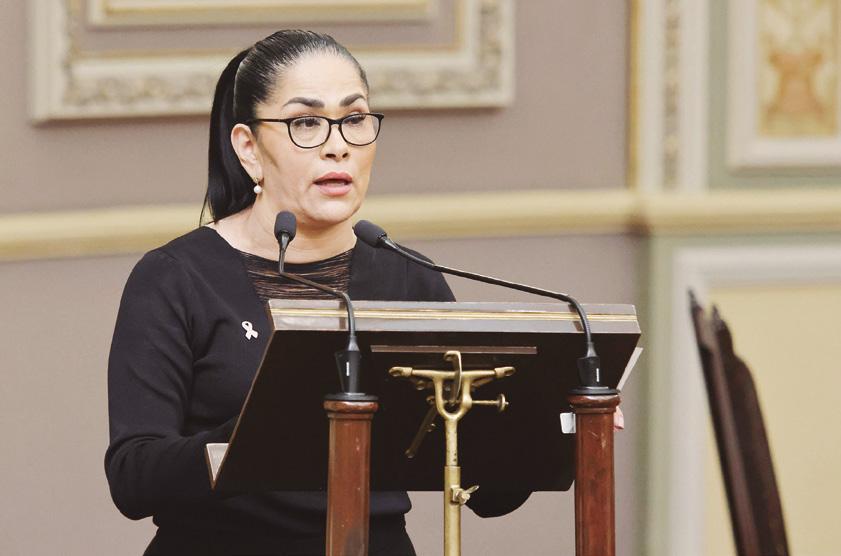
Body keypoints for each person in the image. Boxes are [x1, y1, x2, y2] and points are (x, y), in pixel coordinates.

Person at [105, 30, 526, 556]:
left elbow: (489, 492)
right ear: (248, 147)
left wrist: (558, 428)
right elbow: (134, 475)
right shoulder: (176, 278)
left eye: (354, 119)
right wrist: (260, 430)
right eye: (306, 122)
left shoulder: (406, 278)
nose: (338, 144)